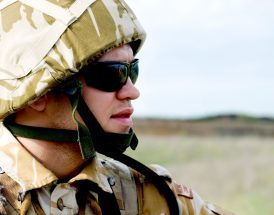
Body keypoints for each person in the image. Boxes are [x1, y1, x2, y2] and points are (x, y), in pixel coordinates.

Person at [0, 0, 234, 214]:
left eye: (132, 71)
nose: (132, 91)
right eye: (111, 74)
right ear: (37, 96)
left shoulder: (146, 196)